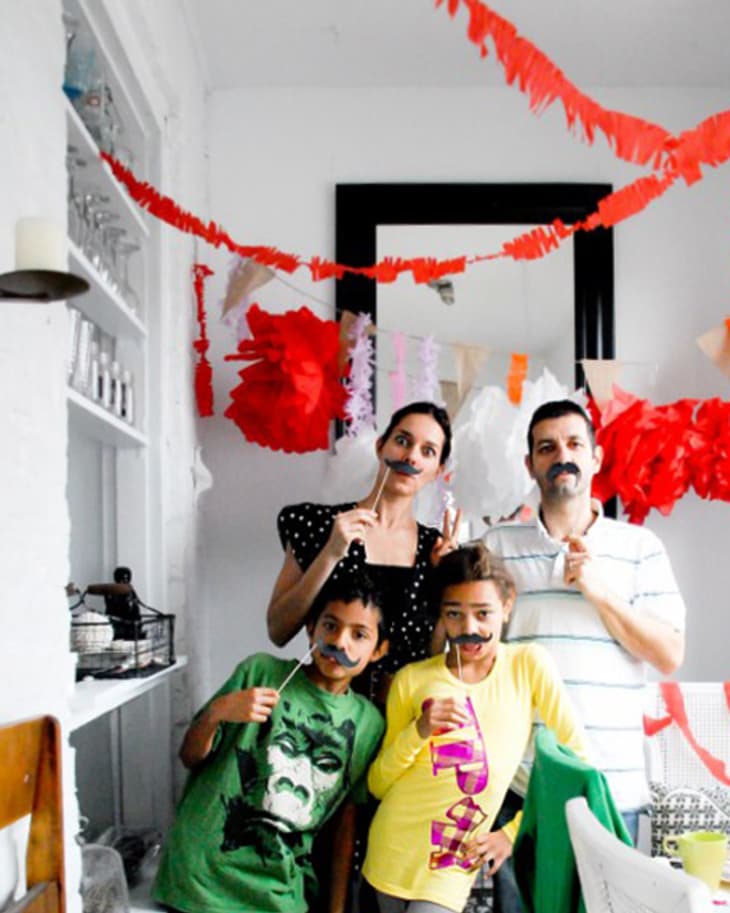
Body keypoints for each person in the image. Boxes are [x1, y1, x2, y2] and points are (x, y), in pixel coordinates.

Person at [483, 398, 686, 912]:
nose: (562, 456)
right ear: (530, 464)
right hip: (522, 789)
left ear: (595, 458)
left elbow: (669, 655)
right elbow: (473, 660)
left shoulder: (641, 547)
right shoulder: (496, 546)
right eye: (546, 447)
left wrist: (598, 590)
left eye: (575, 444)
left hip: (612, 785)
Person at [361, 542, 586, 913]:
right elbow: (378, 784)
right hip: (391, 851)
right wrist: (419, 730)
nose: (469, 628)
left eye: (483, 613)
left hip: (450, 865)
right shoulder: (412, 680)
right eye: (454, 614)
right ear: (441, 614)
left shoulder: (528, 665)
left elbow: (578, 761)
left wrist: (511, 834)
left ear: (507, 604)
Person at [152, 573, 388, 913]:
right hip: (200, 880)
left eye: (359, 634)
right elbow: (189, 756)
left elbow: (344, 826)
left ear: (379, 650)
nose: (339, 643)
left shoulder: (370, 724)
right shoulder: (259, 673)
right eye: (330, 626)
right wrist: (219, 712)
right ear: (311, 629)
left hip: (278, 891)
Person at [268, 401, 460, 701]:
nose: (410, 456)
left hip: (402, 720)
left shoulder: (434, 550)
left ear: (438, 471)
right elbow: (278, 631)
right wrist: (331, 553)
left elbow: (431, 658)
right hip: (327, 714)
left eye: (428, 451)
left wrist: (445, 585)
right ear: (381, 446)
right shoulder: (319, 525)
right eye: (402, 441)